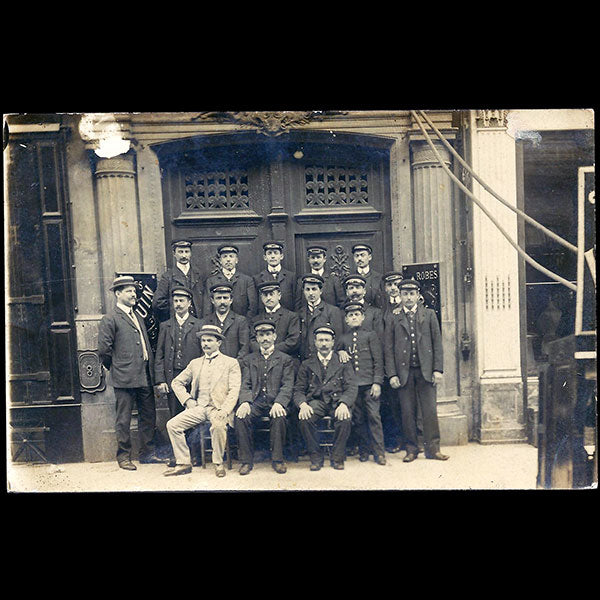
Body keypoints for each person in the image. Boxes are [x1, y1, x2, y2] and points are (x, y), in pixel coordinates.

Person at [98, 275, 164, 470]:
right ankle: (123, 457)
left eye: (134, 291)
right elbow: (104, 350)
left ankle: (148, 454)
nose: (133, 294)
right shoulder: (110, 318)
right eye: (129, 291)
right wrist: (117, 367)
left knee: (148, 416)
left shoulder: (137, 316)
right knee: (124, 418)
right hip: (124, 376)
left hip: (145, 374)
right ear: (118, 294)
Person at [384, 278, 449, 462]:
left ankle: (433, 449)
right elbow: (388, 348)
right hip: (404, 373)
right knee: (407, 412)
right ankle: (411, 449)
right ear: (400, 295)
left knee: (429, 411)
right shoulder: (394, 317)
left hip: (426, 371)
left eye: (412, 294)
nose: (409, 297)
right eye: (405, 294)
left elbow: (437, 344)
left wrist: (438, 369)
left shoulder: (428, 315)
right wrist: (392, 374)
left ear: (418, 296)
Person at [165, 324, 242, 478]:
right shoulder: (195, 363)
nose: (205, 344)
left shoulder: (230, 363)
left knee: (219, 426)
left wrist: (225, 411)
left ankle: (218, 463)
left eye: (209, 340)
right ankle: (184, 462)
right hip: (199, 407)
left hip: (218, 408)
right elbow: (176, 382)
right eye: (203, 341)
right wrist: (187, 401)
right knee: (172, 425)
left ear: (218, 343)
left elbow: (234, 390)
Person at [234, 320, 296, 475]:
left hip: (275, 401)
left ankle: (278, 459)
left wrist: (280, 402)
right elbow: (245, 384)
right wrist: (245, 402)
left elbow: (288, 385)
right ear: (257, 338)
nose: (265, 338)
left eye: (268, 334)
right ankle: (246, 461)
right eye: (261, 335)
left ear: (275, 336)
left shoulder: (285, 359)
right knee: (241, 417)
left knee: (279, 416)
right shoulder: (249, 360)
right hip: (256, 401)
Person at [293, 325, 357, 471]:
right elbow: (298, 389)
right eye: (320, 340)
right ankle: (316, 457)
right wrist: (303, 404)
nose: (323, 344)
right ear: (315, 342)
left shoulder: (343, 362)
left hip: (337, 401)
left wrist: (344, 404)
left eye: (327, 340)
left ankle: (337, 457)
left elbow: (351, 387)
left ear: (333, 342)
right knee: (304, 418)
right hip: (316, 403)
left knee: (344, 418)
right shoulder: (307, 364)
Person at [153, 286, 204, 466]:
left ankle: (196, 454)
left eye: (182, 301)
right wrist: (160, 379)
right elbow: (159, 354)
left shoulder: (198, 324)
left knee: (193, 415)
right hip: (173, 377)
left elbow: (203, 353)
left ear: (189, 303)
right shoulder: (165, 326)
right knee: (175, 416)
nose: (178, 304)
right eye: (175, 301)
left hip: (193, 377)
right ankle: (178, 455)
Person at [338, 301, 386, 465]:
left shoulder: (371, 335)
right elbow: (337, 358)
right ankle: (364, 450)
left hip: (369, 384)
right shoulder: (343, 339)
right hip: (353, 386)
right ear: (346, 320)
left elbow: (378, 361)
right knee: (358, 419)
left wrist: (377, 382)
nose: (354, 317)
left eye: (357, 314)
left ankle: (379, 452)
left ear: (363, 317)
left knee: (374, 416)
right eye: (350, 315)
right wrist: (340, 351)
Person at [379, 271, 405, 453]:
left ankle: (410, 438)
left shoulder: (410, 305)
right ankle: (394, 439)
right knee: (391, 404)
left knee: (407, 402)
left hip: (405, 361)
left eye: (396, 284)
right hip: (388, 363)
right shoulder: (382, 308)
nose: (393, 288)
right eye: (389, 285)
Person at [152, 239, 204, 322]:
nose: (184, 255)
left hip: (197, 321)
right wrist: (173, 312)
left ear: (190, 253)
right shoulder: (167, 276)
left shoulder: (199, 275)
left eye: (186, 252)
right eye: (180, 252)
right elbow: (158, 302)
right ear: (174, 254)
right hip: (177, 322)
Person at [297, 274, 344, 361]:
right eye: (307, 289)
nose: (311, 293)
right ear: (303, 291)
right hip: (305, 360)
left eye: (314, 289)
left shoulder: (332, 311)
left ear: (321, 291)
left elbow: (337, 338)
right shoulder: (300, 313)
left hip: (326, 359)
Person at [249, 281, 300, 359]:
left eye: (271, 294)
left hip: (285, 360)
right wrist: (263, 351)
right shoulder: (256, 319)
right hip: (261, 359)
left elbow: (293, 341)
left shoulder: (291, 317)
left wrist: (271, 350)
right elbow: (252, 341)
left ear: (279, 296)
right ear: (261, 298)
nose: (268, 298)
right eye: (265, 295)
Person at [203, 244, 257, 318]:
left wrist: (245, 323)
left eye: (231, 256)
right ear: (220, 261)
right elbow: (207, 308)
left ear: (236, 260)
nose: (228, 259)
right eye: (224, 257)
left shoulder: (247, 280)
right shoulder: (211, 281)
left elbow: (253, 306)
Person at [200, 283, 250, 360]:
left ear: (231, 300)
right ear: (212, 300)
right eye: (218, 298)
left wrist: (234, 365)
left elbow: (244, 348)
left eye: (225, 298)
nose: (222, 302)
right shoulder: (205, 322)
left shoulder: (240, 321)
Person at [295, 244, 344, 310]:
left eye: (318, 257)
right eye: (313, 258)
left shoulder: (333, 280)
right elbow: (298, 306)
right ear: (308, 259)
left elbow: (341, 304)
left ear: (324, 259)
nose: (316, 261)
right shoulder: (301, 281)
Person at [253, 241, 296, 312]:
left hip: (287, 319)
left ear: (281, 256)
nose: (273, 256)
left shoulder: (291, 276)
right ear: (265, 257)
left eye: (276, 253)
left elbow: (296, 301)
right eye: (269, 253)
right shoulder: (257, 278)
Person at [349, 243, 384, 308]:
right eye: (356, 256)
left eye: (362, 255)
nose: (359, 259)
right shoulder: (349, 277)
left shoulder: (379, 277)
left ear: (369, 257)